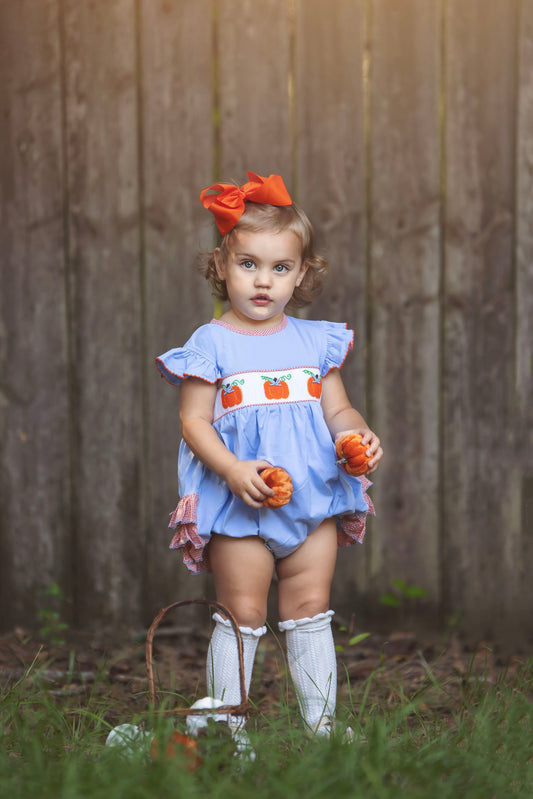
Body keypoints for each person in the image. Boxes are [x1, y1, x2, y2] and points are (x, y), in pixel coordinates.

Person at [156, 171, 382, 739]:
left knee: (309, 609)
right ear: (221, 266)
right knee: (243, 614)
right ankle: (226, 728)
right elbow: (193, 422)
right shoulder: (212, 343)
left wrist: (356, 437)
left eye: (280, 268)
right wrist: (232, 469)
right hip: (242, 510)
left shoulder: (314, 342)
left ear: (301, 273)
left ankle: (322, 727)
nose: (264, 281)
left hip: (312, 503)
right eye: (248, 264)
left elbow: (339, 411)